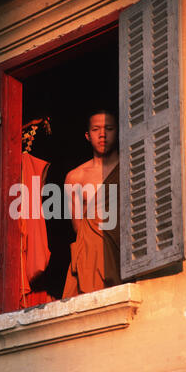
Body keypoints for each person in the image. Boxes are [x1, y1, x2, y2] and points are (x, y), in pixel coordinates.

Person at [62, 109, 121, 298]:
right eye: (96, 129)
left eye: (109, 128)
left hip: (123, 252)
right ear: (88, 135)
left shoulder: (131, 165)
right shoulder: (76, 177)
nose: (103, 134)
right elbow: (80, 229)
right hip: (92, 256)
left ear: (118, 131)